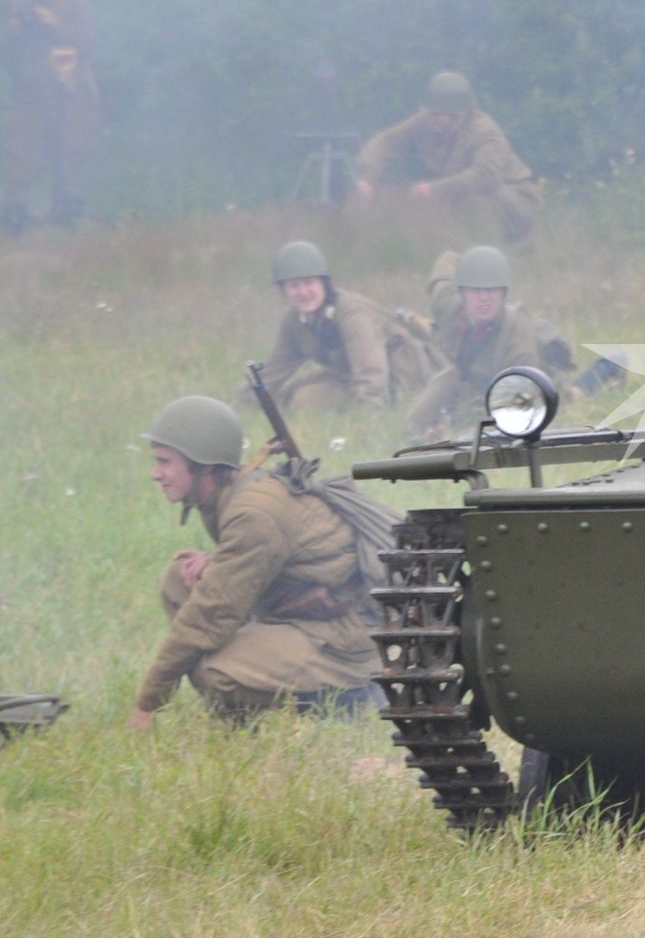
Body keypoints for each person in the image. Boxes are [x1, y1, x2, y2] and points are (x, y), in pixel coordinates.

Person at [133, 397, 380, 726]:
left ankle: (345, 708)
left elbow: (211, 614)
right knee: (180, 578)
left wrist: (148, 702)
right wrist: (218, 563)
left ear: (203, 465)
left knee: (214, 672)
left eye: (165, 462)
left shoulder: (253, 512)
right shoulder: (227, 494)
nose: (156, 474)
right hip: (299, 610)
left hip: (345, 635)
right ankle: (242, 706)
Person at [356, 71, 542, 249]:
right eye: (432, 113)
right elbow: (386, 142)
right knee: (399, 198)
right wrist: (367, 178)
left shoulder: (484, 132)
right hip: (464, 193)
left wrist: (434, 190)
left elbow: (485, 176)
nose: (435, 119)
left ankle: (487, 255)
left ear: (458, 115)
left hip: (514, 199)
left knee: (473, 203)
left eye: (441, 115)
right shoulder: (424, 122)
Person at [255, 240, 444, 412]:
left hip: (399, 376)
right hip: (349, 372)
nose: (303, 292)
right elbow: (273, 370)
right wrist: (240, 407)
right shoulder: (295, 320)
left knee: (302, 401)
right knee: (284, 396)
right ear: (284, 291)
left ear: (323, 283)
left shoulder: (350, 313)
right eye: (294, 286)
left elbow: (372, 371)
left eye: (309, 282)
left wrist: (368, 417)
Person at [2, 0, 99, 234]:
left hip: (68, 90)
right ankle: (14, 215)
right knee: (22, 150)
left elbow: (87, 44)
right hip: (30, 90)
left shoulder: (75, 3)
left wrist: (57, 25)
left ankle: (68, 217)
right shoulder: (19, 5)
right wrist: (12, 30)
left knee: (70, 152)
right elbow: (5, 52)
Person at [408, 245, 545, 435]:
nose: (484, 299)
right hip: (465, 381)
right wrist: (472, 262)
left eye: (492, 290)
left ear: (504, 294)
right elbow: (447, 260)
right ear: (462, 292)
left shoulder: (517, 338)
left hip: (524, 388)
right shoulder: (447, 303)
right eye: (476, 290)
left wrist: (458, 427)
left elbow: (523, 404)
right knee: (425, 406)